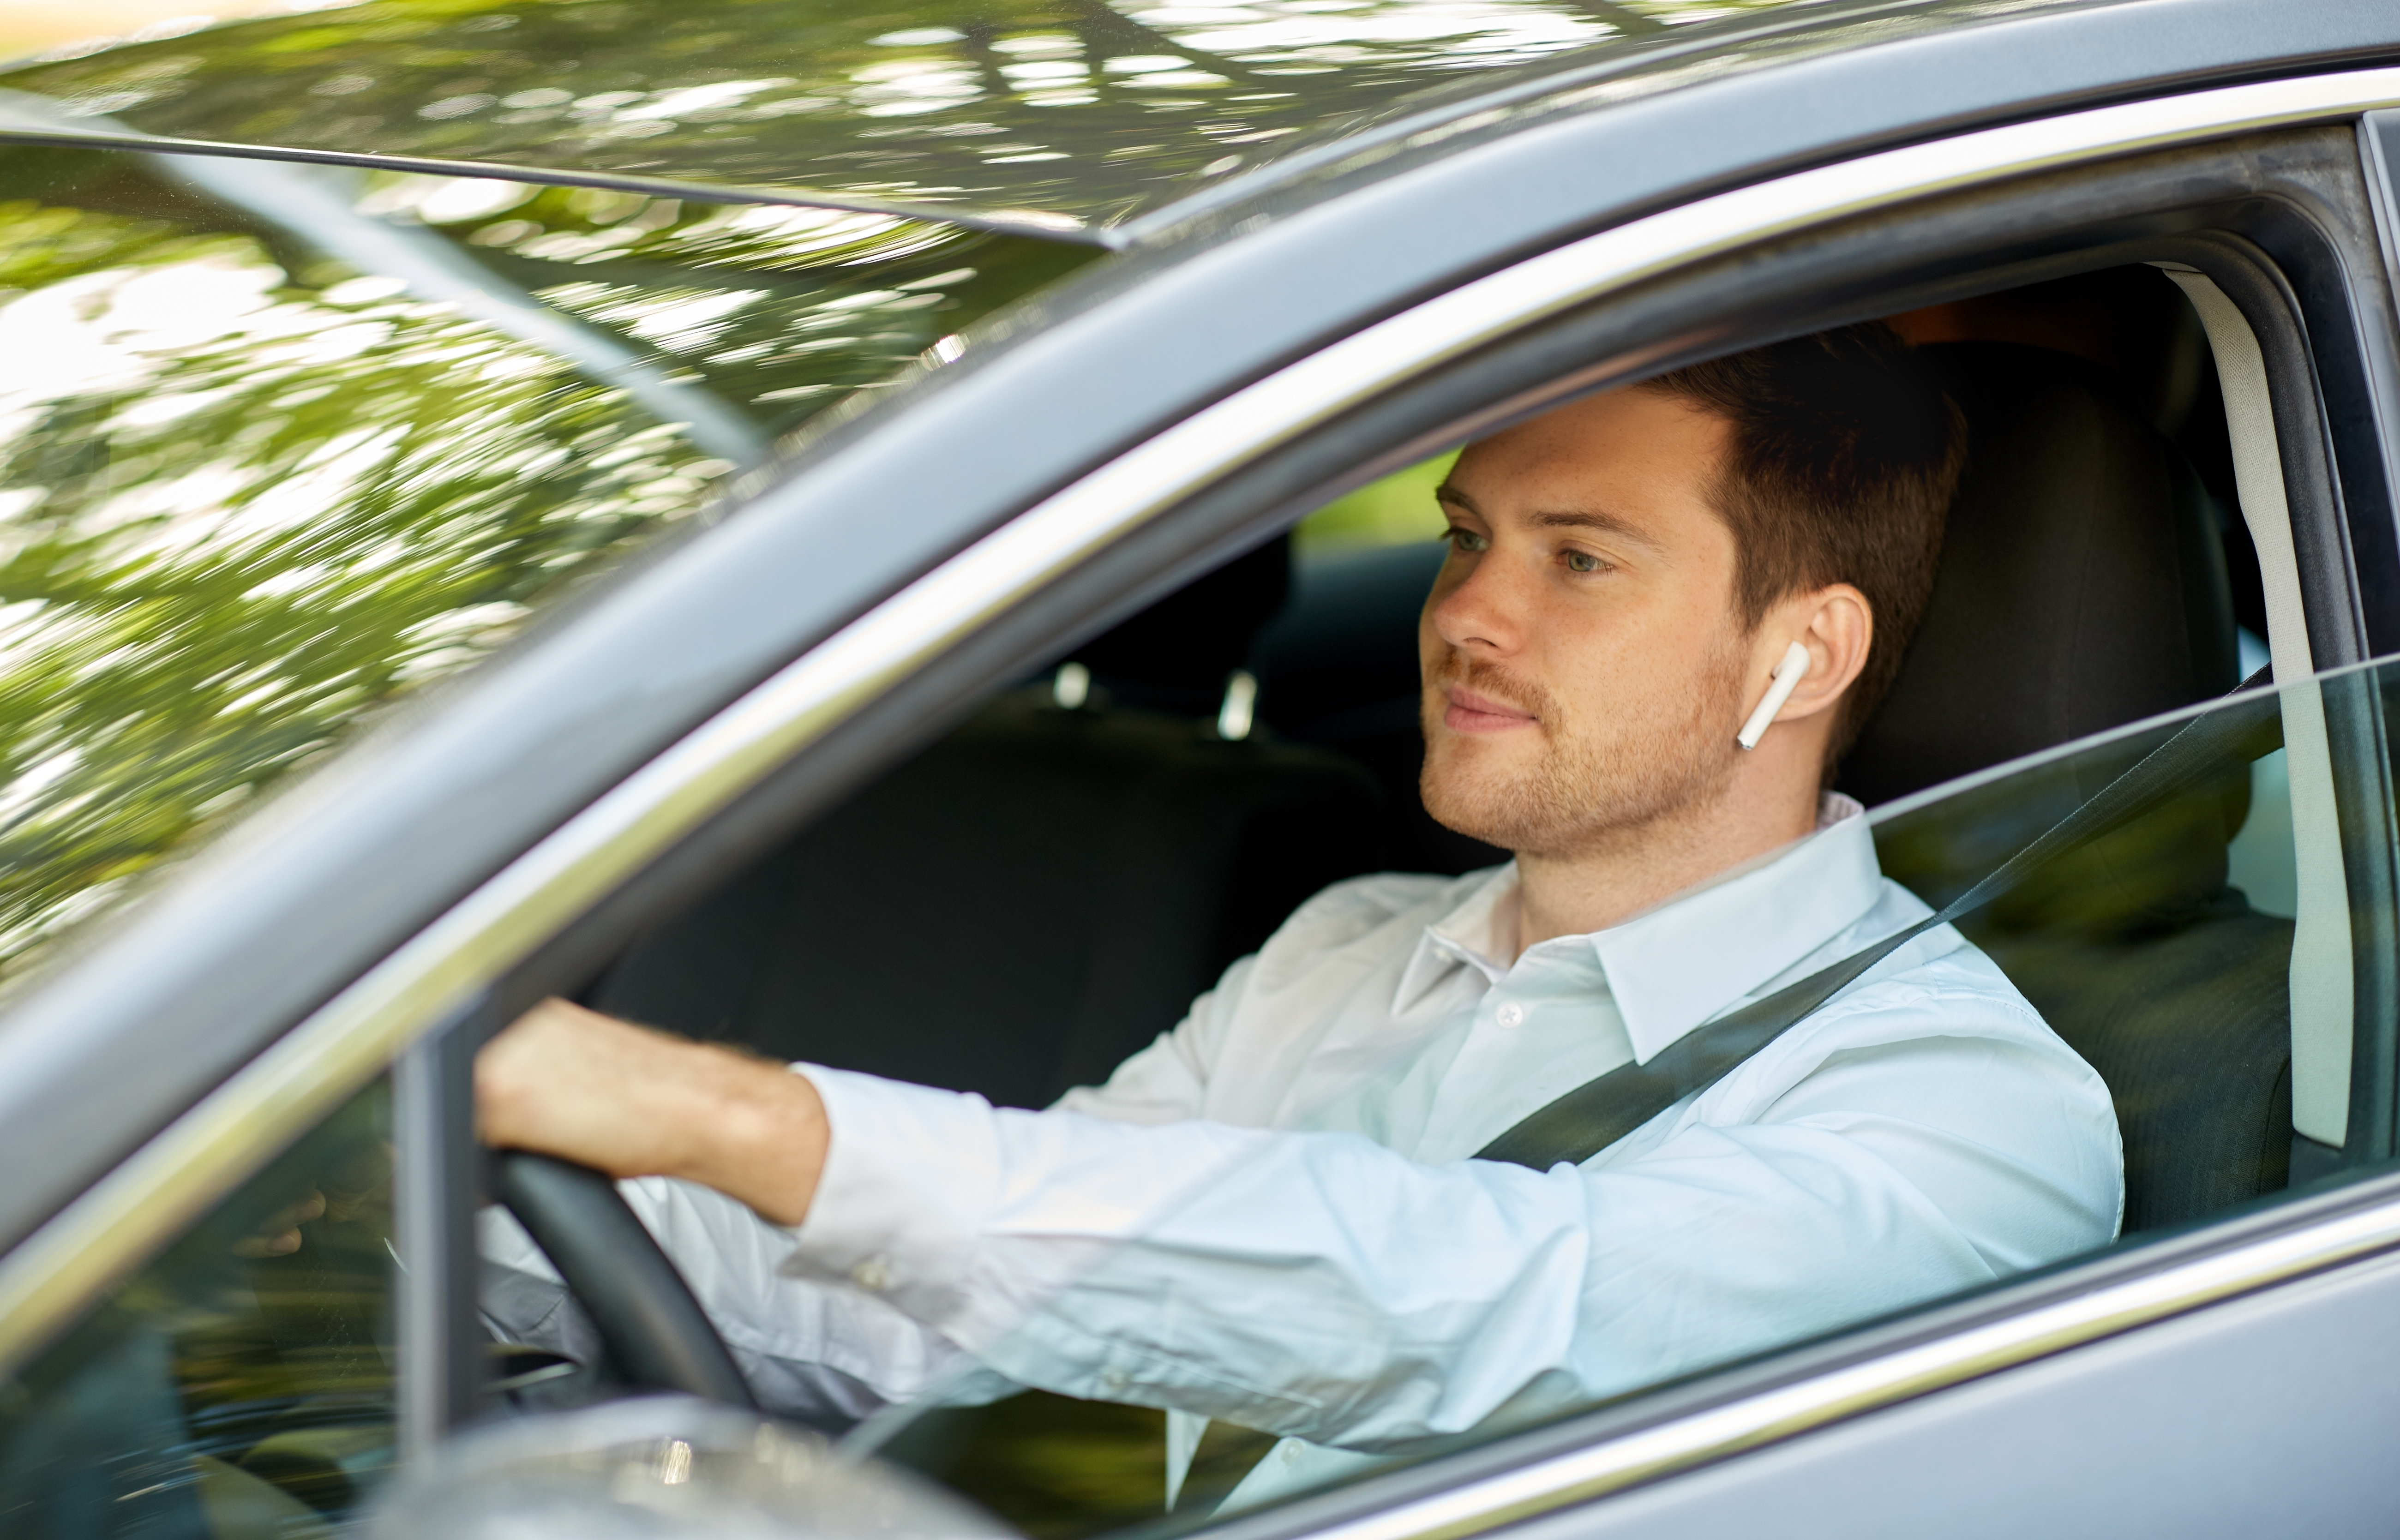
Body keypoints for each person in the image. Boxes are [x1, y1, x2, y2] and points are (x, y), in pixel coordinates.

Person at [476, 322, 2123, 1507]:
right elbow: (982, 1315)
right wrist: (420, 1196)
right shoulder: (1350, 946)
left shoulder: (1967, 1115)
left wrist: (710, 1108)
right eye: (1468, 539)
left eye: (1582, 559)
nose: (1468, 609)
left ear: (1804, 655)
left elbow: (1478, 1305)